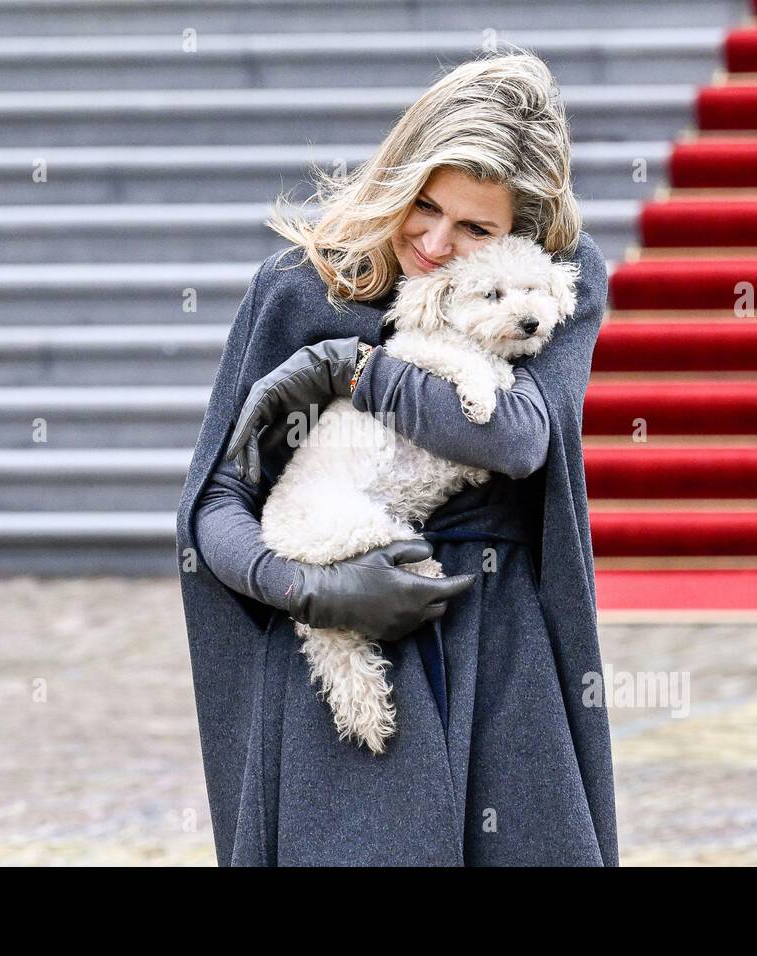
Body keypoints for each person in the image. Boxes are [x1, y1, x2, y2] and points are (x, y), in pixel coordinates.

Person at [174, 51, 618, 866]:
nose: (437, 242)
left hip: (502, 654)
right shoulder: (300, 288)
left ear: (518, 235)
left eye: (477, 229)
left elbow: (520, 438)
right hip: (340, 642)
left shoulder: (557, 281)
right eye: (426, 205)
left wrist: (355, 372)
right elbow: (213, 506)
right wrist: (308, 586)